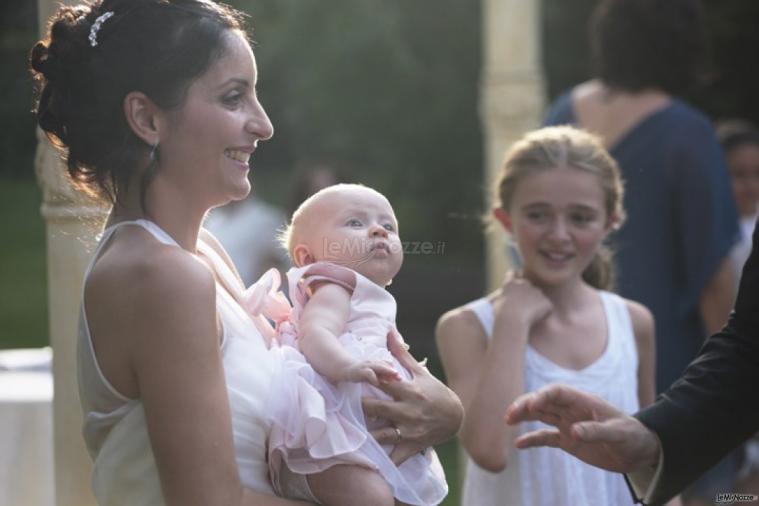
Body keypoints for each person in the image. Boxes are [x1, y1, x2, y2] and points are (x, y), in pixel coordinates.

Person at [29, 1, 463, 505]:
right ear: (147, 118)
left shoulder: (200, 254)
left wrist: (441, 410)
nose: (264, 124)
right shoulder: (159, 275)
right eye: (234, 98)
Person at [436, 126, 656, 506]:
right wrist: (512, 322)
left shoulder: (633, 323)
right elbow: (489, 452)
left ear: (610, 221)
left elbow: (652, 460)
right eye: (538, 215)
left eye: (580, 218)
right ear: (506, 220)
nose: (558, 234)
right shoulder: (467, 327)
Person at [543, 0, 739, 396]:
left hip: (563, 359)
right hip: (671, 370)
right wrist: (735, 386)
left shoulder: (560, 117)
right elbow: (715, 278)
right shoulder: (689, 134)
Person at [242, 183, 448, 506]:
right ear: (308, 257)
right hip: (328, 430)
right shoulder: (336, 284)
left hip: (361, 431)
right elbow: (316, 333)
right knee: (371, 498)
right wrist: (349, 366)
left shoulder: (368, 295)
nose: (379, 230)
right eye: (355, 223)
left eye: (389, 225)